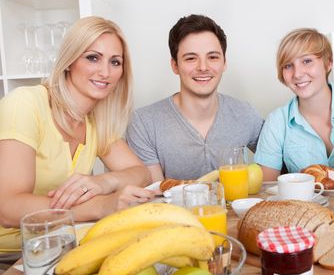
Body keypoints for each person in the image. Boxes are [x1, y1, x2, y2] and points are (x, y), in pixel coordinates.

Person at [0, 16, 152, 253]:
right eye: (93, 58)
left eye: (115, 62)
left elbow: (141, 174)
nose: (105, 72)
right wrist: (102, 205)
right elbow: (8, 208)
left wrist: (103, 181)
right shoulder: (25, 103)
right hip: (11, 257)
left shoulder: (95, 121)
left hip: (60, 245)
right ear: (69, 61)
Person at [127, 15, 263, 181]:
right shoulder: (144, 123)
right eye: (191, 58)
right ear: (175, 65)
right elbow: (156, 198)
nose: (203, 67)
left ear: (224, 63)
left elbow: (279, 169)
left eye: (212, 57)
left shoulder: (246, 114)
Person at [255, 28, 334, 181]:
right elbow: (267, 189)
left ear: (328, 63)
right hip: (305, 205)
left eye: (307, 61)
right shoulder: (277, 121)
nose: (297, 74)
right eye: (288, 65)